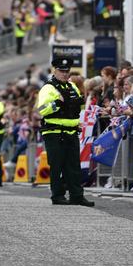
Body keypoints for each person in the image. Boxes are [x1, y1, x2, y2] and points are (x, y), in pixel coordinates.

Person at [37, 57, 93, 206]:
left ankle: (77, 195)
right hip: (54, 132)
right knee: (57, 165)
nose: (64, 74)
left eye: (66, 71)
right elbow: (42, 110)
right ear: (54, 70)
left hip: (71, 131)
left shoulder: (72, 86)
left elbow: (78, 107)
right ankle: (57, 195)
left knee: (74, 166)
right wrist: (57, 102)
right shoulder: (48, 88)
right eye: (61, 71)